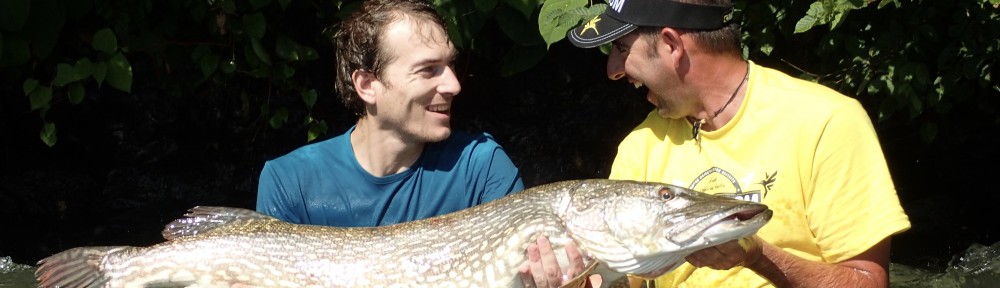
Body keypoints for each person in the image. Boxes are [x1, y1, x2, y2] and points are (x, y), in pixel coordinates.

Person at [566, 0, 911, 287]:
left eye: (622, 48)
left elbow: (867, 282)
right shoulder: (638, 147)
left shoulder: (826, 121)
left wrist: (758, 257)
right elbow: (617, 281)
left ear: (672, 45)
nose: (613, 69)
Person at [256, 0, 585, 286]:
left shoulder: (481, 166)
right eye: (428, 70)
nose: (454, 85)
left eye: (450, 65)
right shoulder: (290, 181)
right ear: (367, 84)